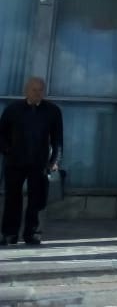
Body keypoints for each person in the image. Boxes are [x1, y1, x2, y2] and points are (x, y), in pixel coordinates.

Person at [0, 77, 63, 246]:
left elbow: (57, 140)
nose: (37, 93)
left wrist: (55, 160)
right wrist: (7, 150)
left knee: (38, 200)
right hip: (15, 162)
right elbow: (1, 134)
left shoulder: (53, 111)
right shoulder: (13, 109)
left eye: (41, 90)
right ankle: (9, 234)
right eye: (34, 90)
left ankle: (32, 233)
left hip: (40, 162)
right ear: (26, 91)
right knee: (12, 198)